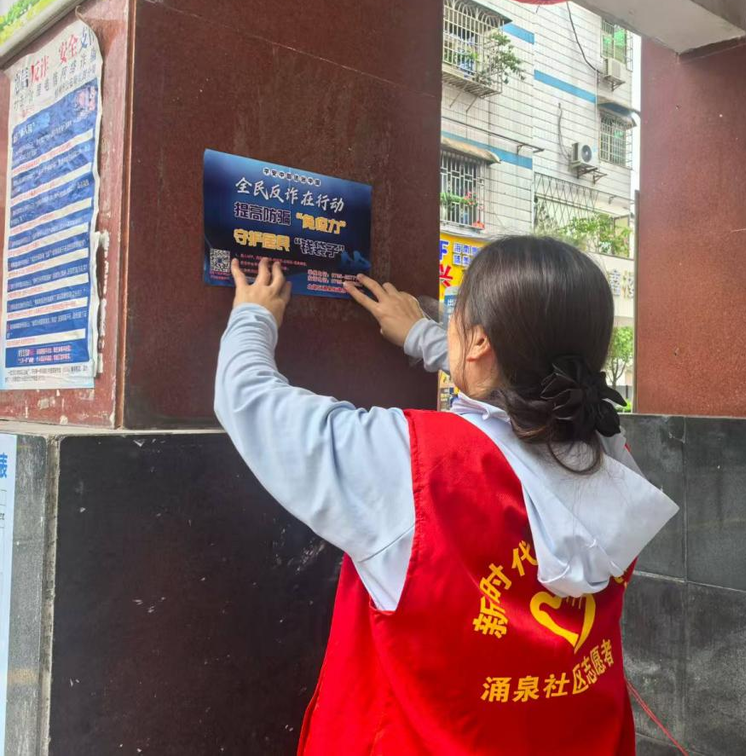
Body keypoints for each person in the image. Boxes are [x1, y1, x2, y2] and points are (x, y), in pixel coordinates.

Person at [214, 236, 678, 755]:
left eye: (457, 314)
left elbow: (248, 400)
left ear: (478, 342)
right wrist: (425, 337)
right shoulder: (609, 454)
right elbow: (524, 394)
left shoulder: (413, 466)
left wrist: (253, 316)